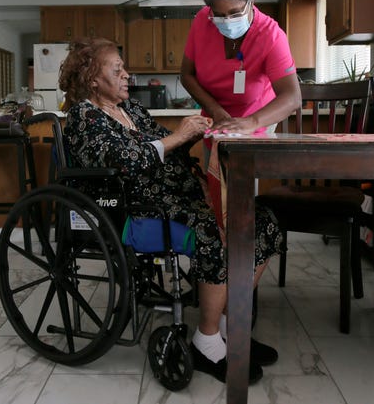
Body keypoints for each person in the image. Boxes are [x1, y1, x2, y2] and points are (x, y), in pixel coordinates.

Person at [59, 37, 283, 385]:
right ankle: (206, 341)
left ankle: (229, 324)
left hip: (181, 199)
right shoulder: (83, 118)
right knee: (215, 231)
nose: (126, 75)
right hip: (138, 212)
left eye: (123, 68)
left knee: (263, 221)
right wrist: (178, 137)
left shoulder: (131, 109)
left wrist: (197, 131)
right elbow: (125, 161)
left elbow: (168, 147)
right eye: (117, 70)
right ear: (91, 78)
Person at [180, 0, 301, 166]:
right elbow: (187, 75)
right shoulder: (202, 21)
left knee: (243, 183)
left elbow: (292, 97)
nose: (227, 21)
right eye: (218, 15)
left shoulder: (271, 36)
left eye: (235, 13)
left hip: (256, 119)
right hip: (215, 118)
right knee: (216, 181)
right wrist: (215, 110)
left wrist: (251, 123)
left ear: (251, 0)